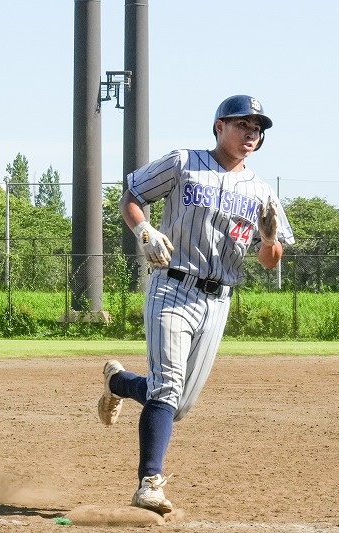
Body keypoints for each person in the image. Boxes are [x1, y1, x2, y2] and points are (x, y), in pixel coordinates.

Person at [97, 95, 294, 514]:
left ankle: (119, 383)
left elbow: (269, 261)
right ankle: (149, 484)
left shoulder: (262, 192)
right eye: (243, 124)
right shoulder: (184, 162)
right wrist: (145, 230)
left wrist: (268, 239)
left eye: (257, 128)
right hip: (172, 286)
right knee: (167, 387)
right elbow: (131, 196)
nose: (251, 133)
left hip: (218, 300)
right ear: (220, 126)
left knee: (178, 405)